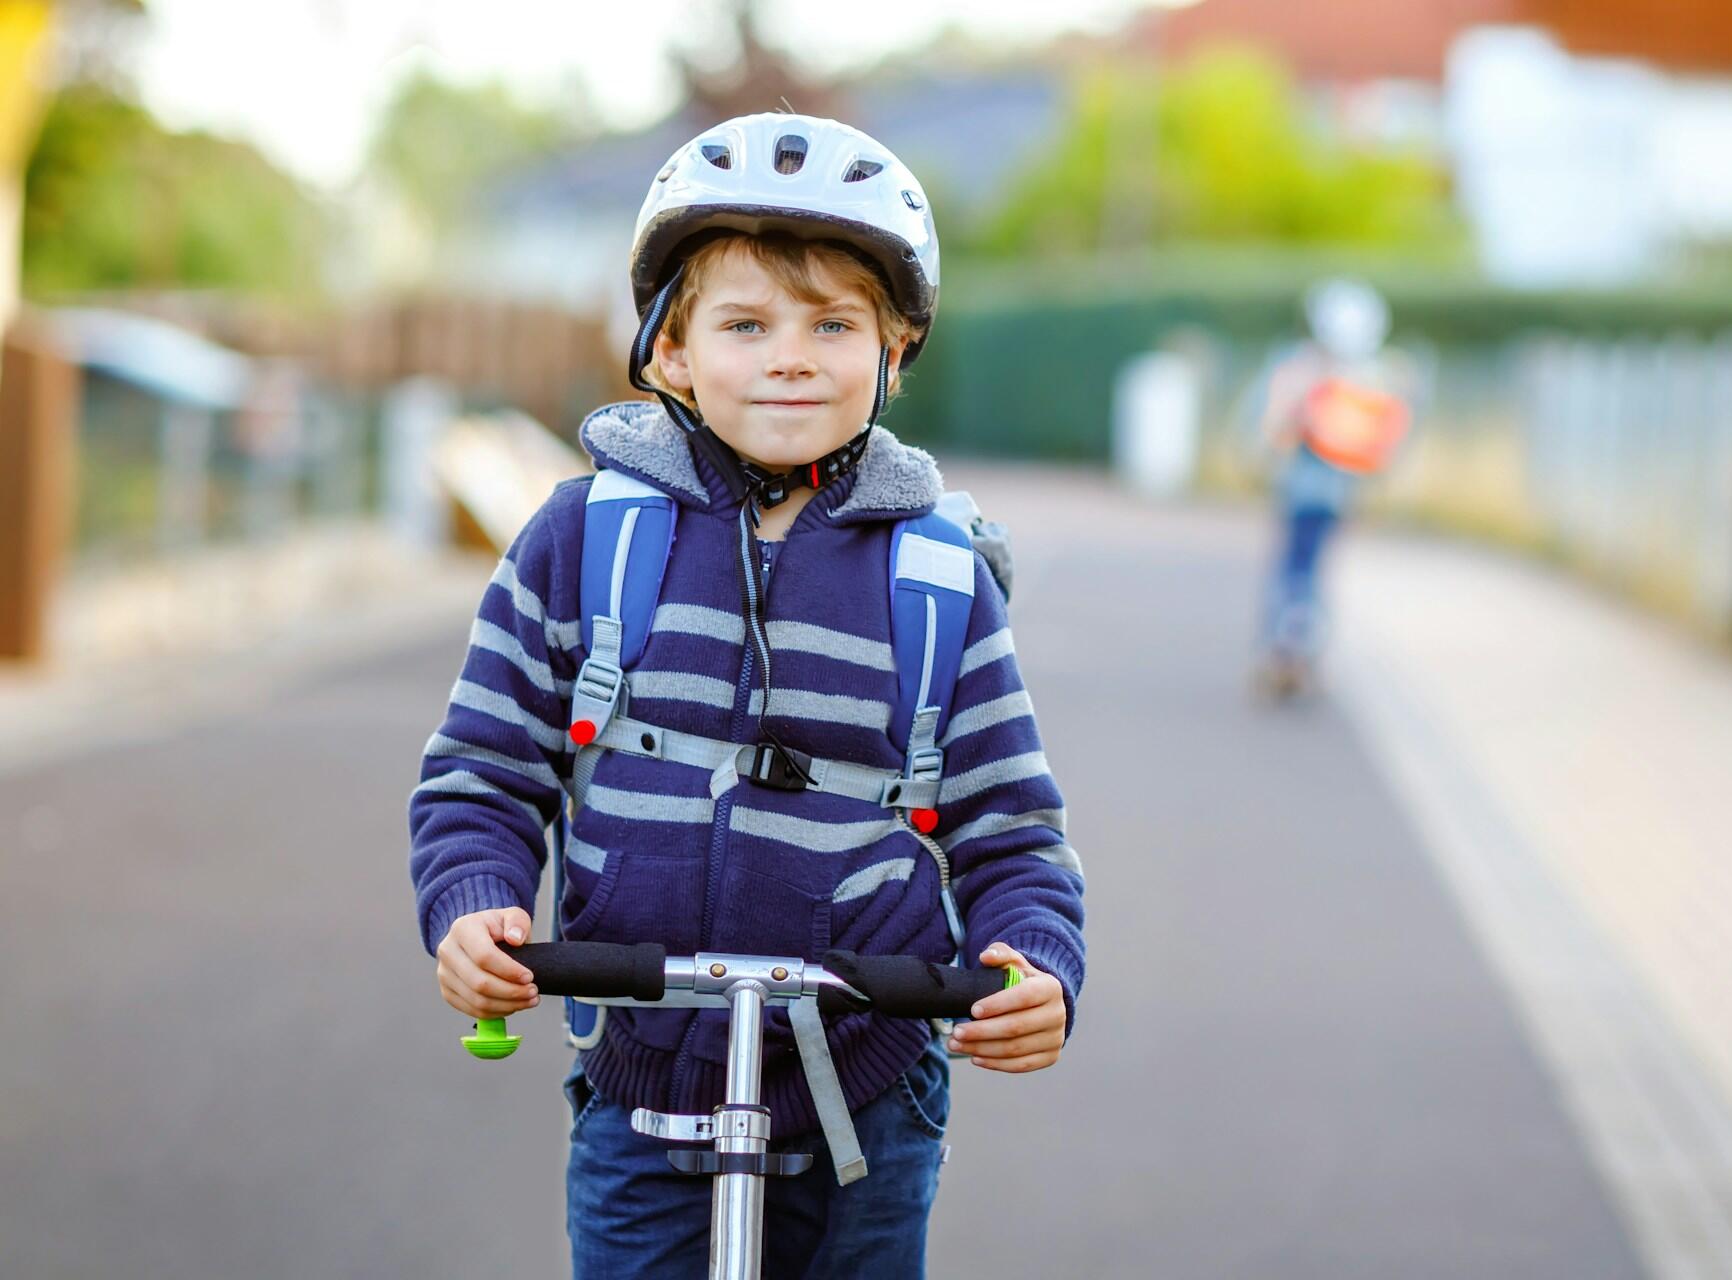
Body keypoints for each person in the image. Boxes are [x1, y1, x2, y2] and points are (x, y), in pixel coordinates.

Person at [407, 112, 1087, 1279]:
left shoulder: (934, 576)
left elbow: (1012, 825)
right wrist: (474, 900)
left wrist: (1036, 959)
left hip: (867, 1085)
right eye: (744, 324)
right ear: (669, 350)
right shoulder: (586, 538)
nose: (791, 355)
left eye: (834, 323)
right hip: (646, 1080)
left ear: (896, 348)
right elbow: (483, 767)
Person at [1254, 279, 1412, 696]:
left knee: (1294, 569)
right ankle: (1303, 645)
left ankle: (1286, 644)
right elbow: (1384, 446)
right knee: (1314, 569)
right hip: (1342, 495)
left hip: (1301, 491)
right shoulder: (1372, 376)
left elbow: (1273, 431)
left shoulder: (1301, 369)